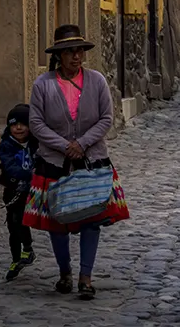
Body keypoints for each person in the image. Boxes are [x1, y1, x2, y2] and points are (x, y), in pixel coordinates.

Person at [23, 24, 130, 301]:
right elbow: (36, 123)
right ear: (59, 55)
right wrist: (64, 146)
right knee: (57, 220)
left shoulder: (96, 82)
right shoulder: (43, 85)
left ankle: (86, 277)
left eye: (79, 51)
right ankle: (64, 273)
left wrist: (81, 144)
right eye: (70, 52)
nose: (76, 57)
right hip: (54, 163)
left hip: (91, 161)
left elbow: (106, 118)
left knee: (90, 219)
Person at [0, 104, 39, 281]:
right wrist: (28, 174)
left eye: (23, 124)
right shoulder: (6, 145)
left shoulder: (37, 144)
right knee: (13, 225)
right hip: (13, 189)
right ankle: (16, 258)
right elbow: (9, 166)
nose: (19, 128)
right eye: (14, 125)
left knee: (22, 219)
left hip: (32, 190)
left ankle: (28, 249)